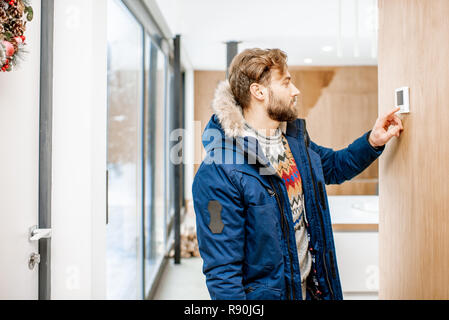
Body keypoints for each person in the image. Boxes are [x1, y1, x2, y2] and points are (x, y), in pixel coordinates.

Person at [192, 48, 404, 300]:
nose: (296, 91)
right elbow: (223, 273)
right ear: (259, 92)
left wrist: (373, 141)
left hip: (310, 290)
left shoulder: (293, 141)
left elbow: (335, 166)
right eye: (286, 83)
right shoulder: (218, 170)